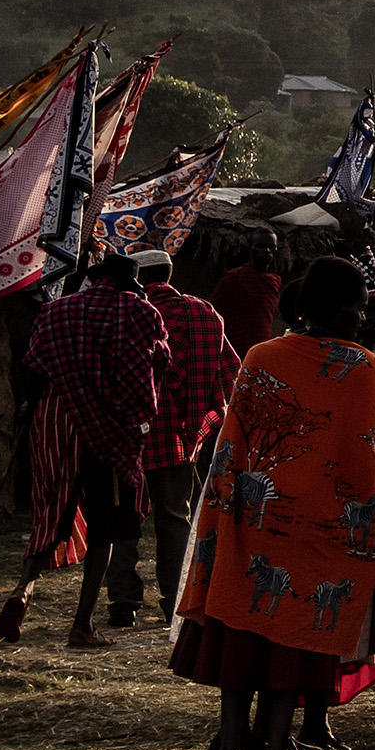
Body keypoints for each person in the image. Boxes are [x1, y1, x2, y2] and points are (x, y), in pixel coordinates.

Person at [170, 259, 375, 750]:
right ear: (327, 308)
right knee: (291, 646)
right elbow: (356, 460)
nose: (362, 317)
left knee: (240, 637)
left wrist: (223, 513)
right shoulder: (361, 366)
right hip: (315, 531)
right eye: (356, 307)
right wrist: (361, 532)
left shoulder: (261, 355)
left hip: (250, 516)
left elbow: (233, 445)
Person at [23, 250, 169, 651]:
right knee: (105, 528)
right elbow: (153, 367)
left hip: (58, 421)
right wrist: (137, 420)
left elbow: (34, 369)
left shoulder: (55, 312)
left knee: (54, 512)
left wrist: (30, 416)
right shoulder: (140, 312)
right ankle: (82, 625)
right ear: (128, 284)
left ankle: (23, 589)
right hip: (109, 433)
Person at [132, 251, 241, 625]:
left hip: (128, 433)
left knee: (125, 517)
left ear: (139, 276)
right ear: (169, 273)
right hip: (181, 435)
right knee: (175, 516)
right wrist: (204, 412)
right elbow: (231, 369)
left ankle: (122, 600)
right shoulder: (204, 313)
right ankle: (173, 599)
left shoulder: (132, 312)